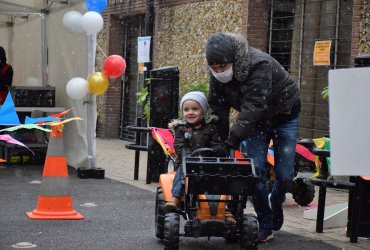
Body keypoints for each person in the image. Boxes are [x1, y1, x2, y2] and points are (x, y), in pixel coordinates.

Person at [205, 32, 301, 242]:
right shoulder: (216, 76)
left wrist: (232, 140)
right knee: (254, 172)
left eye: (223, 66)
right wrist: (220, 141)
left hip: (285, 115)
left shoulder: (258, 65)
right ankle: (265, 224)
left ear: (234, 60)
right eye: (215, 68)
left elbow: (253, 106)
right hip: (257, 123)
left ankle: (276, 201)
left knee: (284, 175)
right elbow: (217, 108)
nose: (220, 71)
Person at [164, 91, 235, 224]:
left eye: (195, 109)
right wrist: (187, 156)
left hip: (208, 163)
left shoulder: (211, 128)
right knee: (181, 174)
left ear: (203, 111)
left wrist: (217, 150)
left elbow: (215, 143)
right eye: (186, 109)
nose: (190, 112)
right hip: (187, 163)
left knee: (221, 178)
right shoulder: (181, 129)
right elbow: (179, 145)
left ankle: (225, 209)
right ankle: (176, 197)